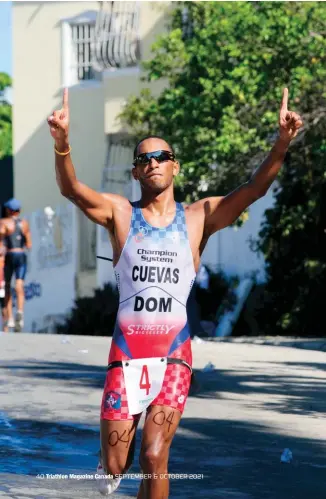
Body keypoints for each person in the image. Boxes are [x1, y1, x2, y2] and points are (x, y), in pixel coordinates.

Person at [47, 88, 302, 498]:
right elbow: (72, 189)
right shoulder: (120, 213)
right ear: (135, 173)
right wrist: (62, 145)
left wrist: (282, 142)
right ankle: (110, 459)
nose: (153, 163)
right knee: (117, 466)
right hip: (127, 356)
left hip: (174, 356)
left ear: (175, 167)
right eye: (143, 159)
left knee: (154, 456)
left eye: (161, 157)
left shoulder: (199, 216)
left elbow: (253, 189)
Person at [0, 198, 32, 332]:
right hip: (21, 255)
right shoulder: (24, 224)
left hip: (9, 256)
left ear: (8, 210)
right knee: (19, 285)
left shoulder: (4, 223)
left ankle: (10, 318)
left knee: (7, 286)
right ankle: (20, 312)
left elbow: (1, 243)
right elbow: (29, 245)